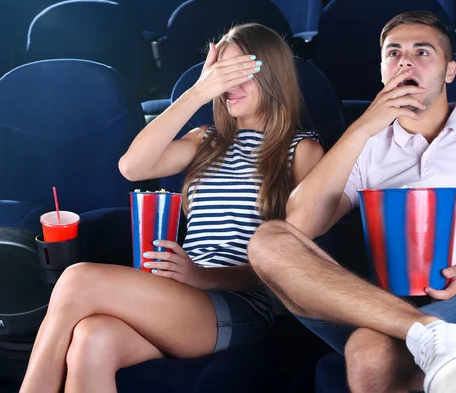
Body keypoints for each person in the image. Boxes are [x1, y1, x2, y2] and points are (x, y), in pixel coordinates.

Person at [247, 11, 456, 393]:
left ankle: (428, 332)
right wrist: (364, 126)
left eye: (422, 52)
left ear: (449, 72)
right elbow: (300, 225)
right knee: (269, 239)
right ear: (383, 70)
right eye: (393, 53)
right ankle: (429, 332)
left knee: (369, 350)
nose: (405, 61)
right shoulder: (366, 146)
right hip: (376, 301)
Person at [19, 23, 324, 393]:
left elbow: (295, 264)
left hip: (240, 305)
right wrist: (197, 93)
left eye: (239, 71)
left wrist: (202, 277)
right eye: (219, 72)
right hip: (183, 296)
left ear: (273, 75)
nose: (227, 84)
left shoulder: (302, 150)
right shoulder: (206, 139)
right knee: (91, 338)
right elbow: (132, 167)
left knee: (76, 279)